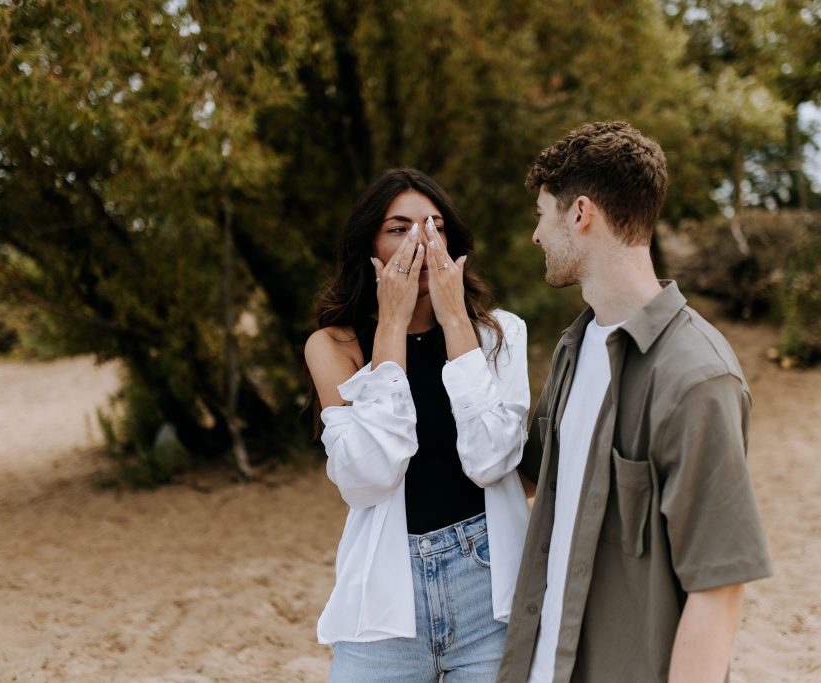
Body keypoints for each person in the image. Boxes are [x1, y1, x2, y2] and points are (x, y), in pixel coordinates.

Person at [496, 122, 773, 683]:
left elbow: (719, 588)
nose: (536, 235)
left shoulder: (697, 378)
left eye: (542, 215)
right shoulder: (573, 350)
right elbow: (524, 478)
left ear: (580, 214)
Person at [305, 168, 531, 682]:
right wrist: (390, 326)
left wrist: (455, 321)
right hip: (385, 604)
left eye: (434, 226)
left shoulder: (501, 335)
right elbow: (367, 478)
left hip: (489, 593)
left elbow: (491, 461)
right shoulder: (335, 345)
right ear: (371, 244)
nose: (421, 241)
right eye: (399, 228)